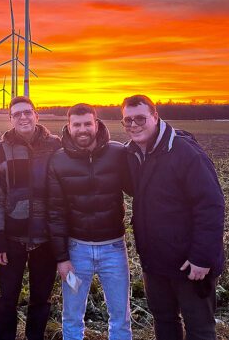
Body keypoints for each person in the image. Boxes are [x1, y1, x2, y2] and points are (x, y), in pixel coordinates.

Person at [121, 95, 225, 340]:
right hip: (155, 262)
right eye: (128, 120)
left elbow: (211, 206)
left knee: (199, 329)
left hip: (189, 263)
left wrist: (202, 258)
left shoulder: (185, 153)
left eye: (140, 119)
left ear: (155, 117)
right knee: (165, 322)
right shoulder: (132, 154)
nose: (134, 125)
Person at [47, 103, 133, 340]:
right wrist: (62, 258)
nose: (82, 129)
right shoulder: (58, 160)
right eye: (77, 124)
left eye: (87, 123)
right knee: (72, 317)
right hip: (77, 251)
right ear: (68, 126)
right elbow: (55, 213)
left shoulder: (118, 153)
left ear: (96, 124)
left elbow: (140, 188)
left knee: (121, 317)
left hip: (114, 249)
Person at [0, 96, 62, 340]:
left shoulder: (55, 145)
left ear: (36, 115)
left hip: (46, 236)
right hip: (13, 237)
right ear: (10, 119)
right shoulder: (1, 149)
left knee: (41, 298)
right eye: (17, 114)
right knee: (7, 297)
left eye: (27, 112)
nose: (23, 117)